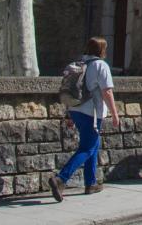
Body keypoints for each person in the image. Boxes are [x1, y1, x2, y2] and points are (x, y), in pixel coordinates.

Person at [48, 37, 119, 201]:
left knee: (92, 145)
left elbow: (70, 89)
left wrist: (68, 113)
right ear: (102, 50)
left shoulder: (77, 64)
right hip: (92, 113)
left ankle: (91, 183)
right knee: (87, 147)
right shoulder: (101, 65)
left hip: (75, 110)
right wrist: (115, 114)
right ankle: (61, 179)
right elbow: (107, 92)